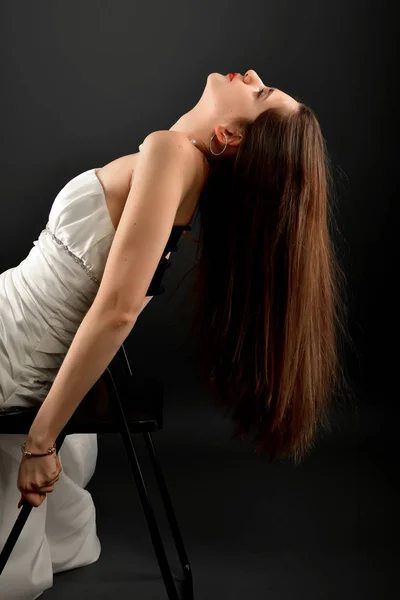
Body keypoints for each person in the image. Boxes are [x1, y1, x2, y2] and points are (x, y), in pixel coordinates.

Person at [0, 69, 349, 598]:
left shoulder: (170, 153)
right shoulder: (183, 166)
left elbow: (119, 310)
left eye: (258, 93)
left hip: (11, 347)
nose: (251, 75)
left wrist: (40, 443)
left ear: (228, 137)